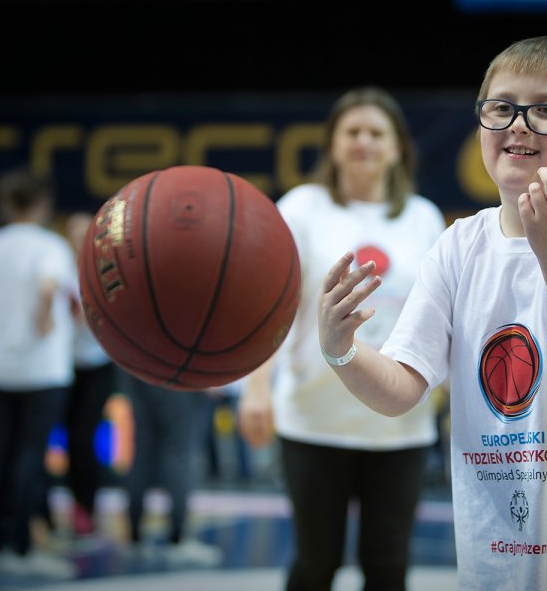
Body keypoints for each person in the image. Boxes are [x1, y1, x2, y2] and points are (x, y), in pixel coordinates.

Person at [316, 37, 547, 589]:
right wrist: (341, 349)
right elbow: (402, 388)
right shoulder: (458, 246)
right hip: (495, 562)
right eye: (501, 107)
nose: (519, 124)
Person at [237, 86, 446, 590]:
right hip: (313, 419)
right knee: (315, 564)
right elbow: (271, 305)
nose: (364, 142)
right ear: (332, 144)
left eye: (377, 133)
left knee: (388, 565)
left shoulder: (423, 217)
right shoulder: (303, 208)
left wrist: (447, 391)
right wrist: (256, 387)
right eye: (352, 132)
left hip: (400, 425)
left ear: (397, 147)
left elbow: (440, 317)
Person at [0, 167, 78, 580]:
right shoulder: (51, 246)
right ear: (43, 202)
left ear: (7, 204)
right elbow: (50, 286)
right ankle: (23, 548)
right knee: (31, 456)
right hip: (41, 369)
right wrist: (44, 315)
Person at [121, 371, 224, 567]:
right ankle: (178, 539)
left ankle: (134, 536)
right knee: (179, 450)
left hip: (136, 364)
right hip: (179, 369)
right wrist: (211, 374)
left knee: (142, 447)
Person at [62, 211, 122, 539]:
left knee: (84, 438)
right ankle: (64, 511)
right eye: (73, 233)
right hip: (62, 365)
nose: (78, 238)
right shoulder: (57, 269)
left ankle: (86, 509)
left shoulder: (108, 271)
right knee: (67, 439)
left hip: (97, 364)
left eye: (84, 232)